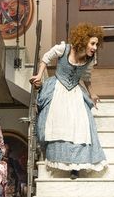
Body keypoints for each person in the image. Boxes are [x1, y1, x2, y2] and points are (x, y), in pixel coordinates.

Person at [30, 23, 107, 179]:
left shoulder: (90, 59)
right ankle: (57, 157)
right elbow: (46, 58)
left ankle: (75, 167)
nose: (95, 47)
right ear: (83, 40)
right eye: (92, 43)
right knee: (56, 121)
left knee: (80, 125)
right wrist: (39, 75)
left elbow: (86, 77)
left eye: (96, 44)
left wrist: (92, 94)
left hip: (75, 90)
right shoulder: (64, 49)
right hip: (58, 87)